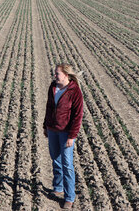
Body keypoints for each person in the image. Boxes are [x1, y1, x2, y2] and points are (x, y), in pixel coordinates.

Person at [43, 63, 84, 210]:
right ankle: (58, 186)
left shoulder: (74, 91)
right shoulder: (53, 87)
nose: (55, 76)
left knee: (67, 164)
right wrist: (45, 126)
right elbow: (49, 107)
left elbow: (78, 116)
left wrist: (72, 136)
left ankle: (69, 197)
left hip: (66, 132)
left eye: (57, 74)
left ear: (66, 75)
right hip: (53, 129)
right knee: (55, 159)